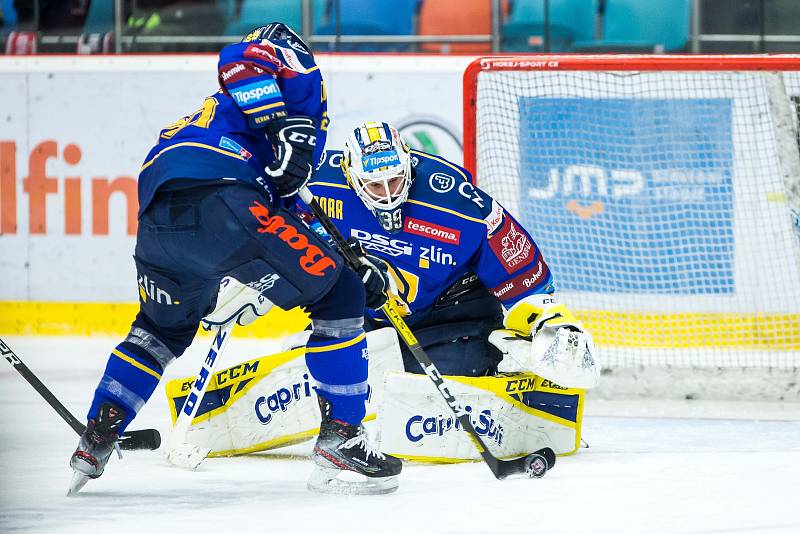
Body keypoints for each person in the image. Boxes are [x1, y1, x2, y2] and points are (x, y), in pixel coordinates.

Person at [68, 25, 401, 496]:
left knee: (158, 329)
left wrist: (344, 256)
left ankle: (99, 433)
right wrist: (279, 125)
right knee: (340, 296)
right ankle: (342, 439)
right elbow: (237, 58)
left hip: (160, 217)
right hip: (224, 202)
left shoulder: (222, 119)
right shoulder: (293, 71)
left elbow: (283, 204)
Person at [304, 121, 599, 385]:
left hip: (451, 318)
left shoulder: (459, 205)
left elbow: (519, 272)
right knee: (319, 372)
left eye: (394, 180)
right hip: (365, 316)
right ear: (351, 177)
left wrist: (550, 319)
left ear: (409, 166)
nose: (388, 194)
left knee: (434, 389)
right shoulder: (317, 184)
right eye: (374, 185)